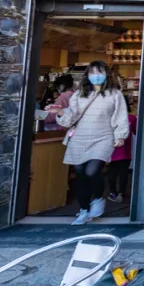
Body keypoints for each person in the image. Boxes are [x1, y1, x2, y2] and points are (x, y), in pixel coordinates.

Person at [51, 60, 129, 225]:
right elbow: (70, 117)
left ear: (106, 74)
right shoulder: (79, 94)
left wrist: (120, 135)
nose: (96, 76)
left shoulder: (115, 94)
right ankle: (84, 209)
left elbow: (121, 117)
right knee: (80, 174)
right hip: (80, 136)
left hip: (104, 137)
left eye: (99, 73)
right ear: (87, 75)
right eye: (92, 73)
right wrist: (59, 112)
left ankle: (99, 198)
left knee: (92, 171)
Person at [106, 111, 137, 203]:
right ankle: (122, 192)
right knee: (123, 172)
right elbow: (136, 132)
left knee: (112, 172)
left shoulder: (109, 117)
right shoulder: (131, 118)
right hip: (125, 151)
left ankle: (112, 192)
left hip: (111, 150)